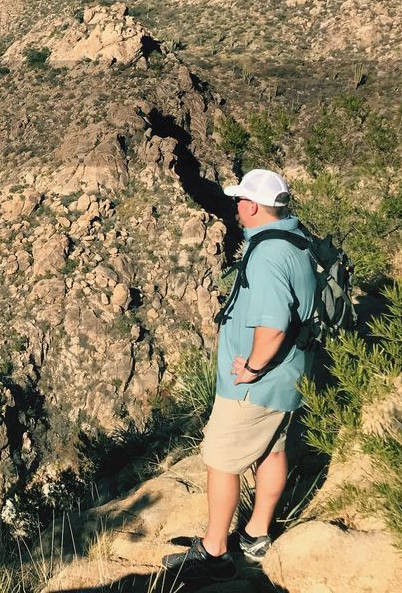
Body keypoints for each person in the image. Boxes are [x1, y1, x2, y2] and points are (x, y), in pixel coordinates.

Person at [163, 168, 317, 582]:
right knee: (271, 449)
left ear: (250, 205)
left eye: (238, 202)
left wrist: (250, 368)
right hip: (287, 378)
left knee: (221, 460)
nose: (235, 208)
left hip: (255, 383)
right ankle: (256, 534)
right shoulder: (295, 239)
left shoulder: (267, 255)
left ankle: (214, 555)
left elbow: (273, 326)